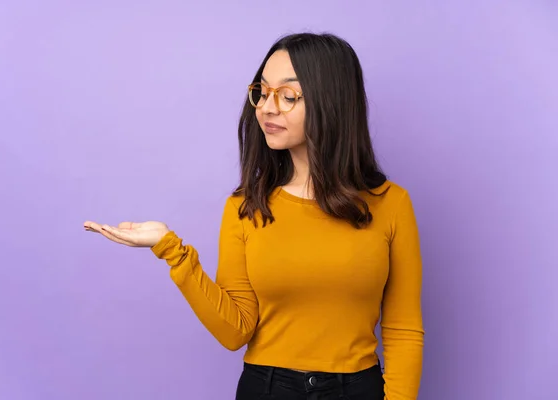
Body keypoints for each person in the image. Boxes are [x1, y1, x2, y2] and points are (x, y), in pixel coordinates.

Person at [84, 32, 424, 400]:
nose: (266, 107)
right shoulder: (245, 208)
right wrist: (171, 250)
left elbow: (403, 330)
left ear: (333, 103)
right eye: (262, 91)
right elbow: (235, 331)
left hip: (358, 389)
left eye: (288, 95)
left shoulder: (390, 204)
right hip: (267, 388)